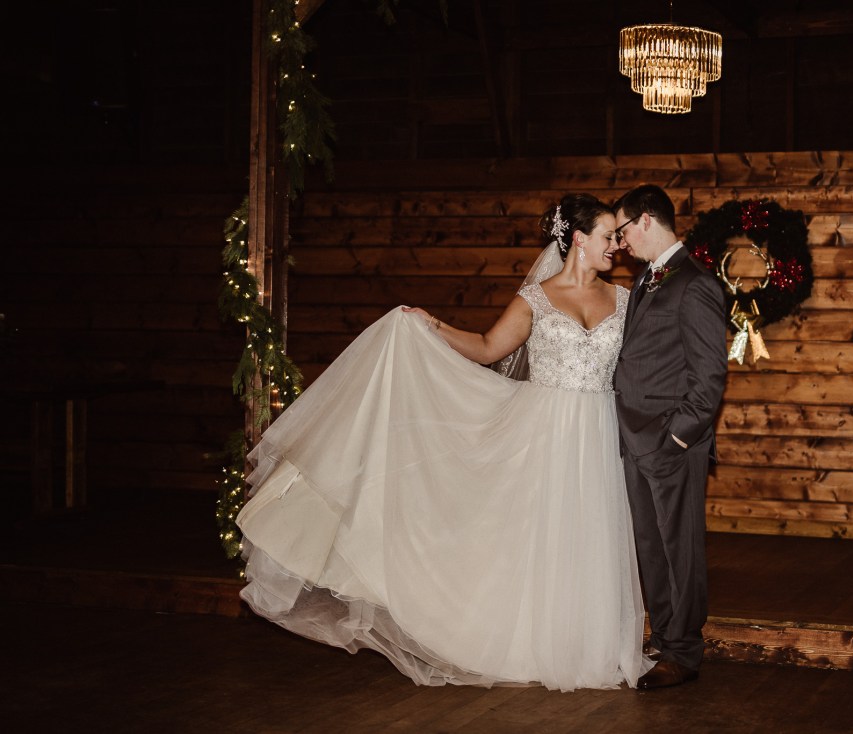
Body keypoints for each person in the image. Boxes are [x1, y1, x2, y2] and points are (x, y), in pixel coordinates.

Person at [234, 193, 653, 692]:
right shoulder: (536, 300)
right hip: (544, 432)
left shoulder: (624, 300)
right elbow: (488, 348)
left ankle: (589, 646)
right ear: (580, 239)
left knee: (591, 533)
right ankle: (533, 645)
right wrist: (433, 325)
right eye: (608, 236)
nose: (617, 245)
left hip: (599, 431)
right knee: (540, 535)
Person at [612, 184, 729, 689]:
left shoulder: (695, 283)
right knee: (650, 546)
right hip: (635, 438)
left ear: (645, 219)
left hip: (671, 444)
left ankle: (684, 651)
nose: (620, 242)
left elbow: (710, 377)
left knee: (681, 550)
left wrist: (677, 440)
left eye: (623, 230)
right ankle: (663, 637)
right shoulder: (646, 279)